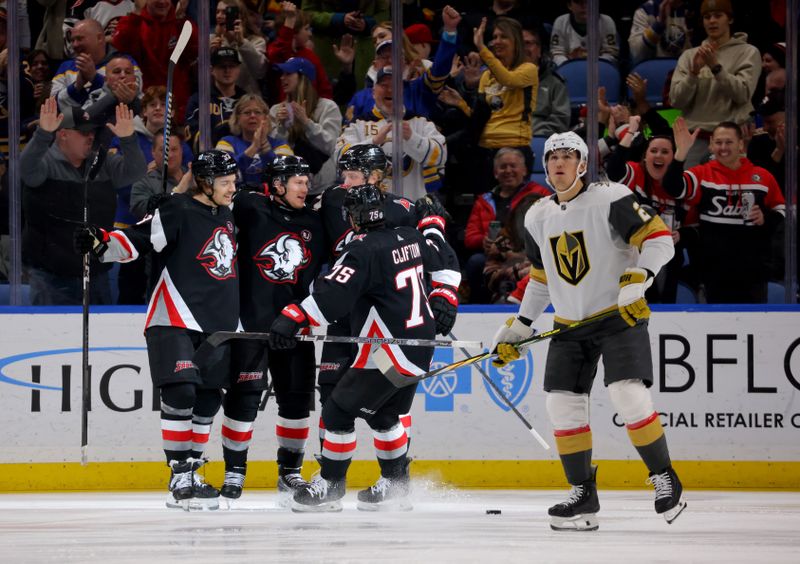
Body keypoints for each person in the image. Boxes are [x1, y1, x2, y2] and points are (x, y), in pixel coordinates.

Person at [492, 131, 685, 530]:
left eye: (568, 156)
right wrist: (520, 325)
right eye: (552, 157)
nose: (559, 163)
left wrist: (639, 278)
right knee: (561, 406)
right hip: (568, 325)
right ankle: (583, 495)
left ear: (582, 164)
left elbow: (660, 240)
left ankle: (664, 476)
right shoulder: (537, 215)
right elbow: (542, 279)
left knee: (626, 393)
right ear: (544, 166)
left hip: (617, 317)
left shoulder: (610, 197)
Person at [268, 183, 459, 512]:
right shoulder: (409, 236)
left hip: (389, 351)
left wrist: (292, 316)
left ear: (353, 218)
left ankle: (330, 484)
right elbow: (437, 252)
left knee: (338, 412)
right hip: (417, 346)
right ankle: (396, 486)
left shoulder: (364, 250)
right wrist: (433, 225)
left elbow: (333, 296)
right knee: (384, 414)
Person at [73, 149, 239, 510]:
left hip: (218, 323)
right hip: (174, 317)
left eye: (233, 181)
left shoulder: (227, 213)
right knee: (181, 394)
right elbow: (137, 239)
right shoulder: (177, 210)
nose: (232, 188)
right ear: (205, 183)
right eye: (225, 182)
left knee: (208, 399)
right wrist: (101, 241)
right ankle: (179, 472)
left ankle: (193, 470)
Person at [316, 145, 460, 503]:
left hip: (386, 323)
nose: (344, 183)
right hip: (347, 313)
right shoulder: (331, 201)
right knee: (332, 393)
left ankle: (389, 478)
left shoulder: (403, 210)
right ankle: (330, 474)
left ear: (375, 176)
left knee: (387, 406)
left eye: (352, 176)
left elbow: (440, 256)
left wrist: (444, 296)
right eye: (343, 175)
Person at [220, 155, 326, 504]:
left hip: (296, 328)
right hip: (251, 326)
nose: (305, 186)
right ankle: (234, 472)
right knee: (243, 401)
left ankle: (289, 473)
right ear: (277, 184)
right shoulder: (250, 205)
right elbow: (211, 207)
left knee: (295, 403)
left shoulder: (315, 220)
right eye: (298, 181)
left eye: (307, 181)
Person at [21, 98, 146, 305]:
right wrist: (43, 134)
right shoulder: (46, 162)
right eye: (83, 132)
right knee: (50, 336)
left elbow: (135, 171)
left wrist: (128, 139)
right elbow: (26, 170)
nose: (90, 137)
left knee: (101, 337)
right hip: (50, 275)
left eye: (92, 132)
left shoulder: (100, 162)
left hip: (95, 272)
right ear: (63, 135)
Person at [663, 118, 786, 303]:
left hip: (754, 271)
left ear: (740, 144)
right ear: (711, 145)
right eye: (718, 142)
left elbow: (782, 210)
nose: (723, 147)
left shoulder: (762, 176)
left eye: (729, 142)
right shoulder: (702, 174)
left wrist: (765, 218)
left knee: (752, 326)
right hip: (713, 272)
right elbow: (672, 187)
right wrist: (681, 153)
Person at [605, 116, 698, 303]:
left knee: (662, 299)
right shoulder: (636, 173)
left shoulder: (686, 181)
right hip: (631, 253)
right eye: (653, 151)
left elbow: (695, 230)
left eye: (665, 152)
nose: (658, 155)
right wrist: (630, 132)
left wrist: (680, 235)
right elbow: (613, 170)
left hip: (667, 257)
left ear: (673, 157)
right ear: (645, 156)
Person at [668, 0, 761, 167]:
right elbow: (676, 100)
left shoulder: (748, 52)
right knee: (691, 190)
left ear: (730, 19)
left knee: (730, 191)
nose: (712, 21)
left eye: (718, 16)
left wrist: (716, 68)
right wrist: (693, 73)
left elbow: (742, 94)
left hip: (730, 140)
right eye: (707, 17)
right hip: (694, 139)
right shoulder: (689, 56)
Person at [336, 66, 447, 201]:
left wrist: (412, 138)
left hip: (413, 208)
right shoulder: (358, 124)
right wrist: (373, 143)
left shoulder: (420, 122)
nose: (389, 90)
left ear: (402, 91)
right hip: (370, 209)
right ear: (373, 91)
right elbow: (340, 158)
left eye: (395, 85)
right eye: (384, 85)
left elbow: (440, 155)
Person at [464, 148, 550, 303]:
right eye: (503, 167)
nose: (508, 171)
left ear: (524, 170)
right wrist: (483, 241)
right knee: (475, 262)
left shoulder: (539, 194)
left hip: (528, 254)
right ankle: (478, 308)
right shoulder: (483, 200)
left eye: (513, 166)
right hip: (494, 255)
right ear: (495, 172)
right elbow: (470, 237)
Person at [112, 0, 198, 124]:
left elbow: (196, 51)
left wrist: (180, 19)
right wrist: (137, 13)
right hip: (143, 109)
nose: (162, 2)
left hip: (177, 109)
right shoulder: (134, 21)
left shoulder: (181, 23)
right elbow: (120, 44)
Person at [269, 56, 342, 194]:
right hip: (287, 189)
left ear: (303, 77)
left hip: (323, 189)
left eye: (288, 74)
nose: (282, 78)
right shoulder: (276, 110)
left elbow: (331, 146)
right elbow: (274, 152)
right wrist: (282, 127)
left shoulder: (328, 107)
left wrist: (307, 123)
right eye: (282, 74)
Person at [51, 19, 143, 112]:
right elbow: (52, 106)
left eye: (79, 39)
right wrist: (77, 86)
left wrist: (94, 78)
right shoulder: (65, 67)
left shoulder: (125, 62)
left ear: (99, 38)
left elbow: (128, 93)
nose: (74, 45)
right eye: (72, 40)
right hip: (73, 125)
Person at [215, 94, 293, 189]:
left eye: (257, 112)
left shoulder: (280, 144)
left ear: (265, 118)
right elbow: (222, 172)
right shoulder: (226, 142)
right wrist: (254, 148)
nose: (252, 116)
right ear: (238, 118)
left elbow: (286, 176)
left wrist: (266, 150)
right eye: (247, 112)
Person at [267, 2, 332, 104]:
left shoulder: (310, 55)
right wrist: (290, 21)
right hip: (284, 111)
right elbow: (279, 53)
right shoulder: (277, 51)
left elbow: (324, 88)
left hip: (312, 109)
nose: (310, 33)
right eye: (306, 29)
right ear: (294, 32)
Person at [185, 47, 248, 153]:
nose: (227, 70)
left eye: (231, 66)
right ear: (211, 70)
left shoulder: (247, 100)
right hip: (211, 158)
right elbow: (191, 134)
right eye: (222, 66)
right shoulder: (199, 100)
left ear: (238, 69)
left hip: (243, 157)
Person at [210, 0, 267, 96]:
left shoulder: (256, 41)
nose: (219, 16)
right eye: (217, 12)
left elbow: (260, 71)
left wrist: (242, 43)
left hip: (247, 100)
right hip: (217, 101)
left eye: (224, 12)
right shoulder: (211, 40)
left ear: (239, 17)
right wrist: (210, 54)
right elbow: (199, 78)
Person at [522, 26, 570, 137]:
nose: (523, 48)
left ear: (539, 50)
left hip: (540, 140)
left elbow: (560, 122)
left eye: (528, 43)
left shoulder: (555, 83)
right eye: (519, 44)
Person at [550, 0, 619, 66]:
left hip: (599, 70)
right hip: (569, 70)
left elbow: (611, 54)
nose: (584, 6)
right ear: (569, 5)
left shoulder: (606, 21)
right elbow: (557, 54)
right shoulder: (561, 22)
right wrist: (569, 66)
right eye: (578, 2)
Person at [628, 0, 691, 64]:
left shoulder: (691, 10)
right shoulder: (646, 10)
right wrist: (658, 25)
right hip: (653, 69)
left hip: (683, 69)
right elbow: (636, 55)